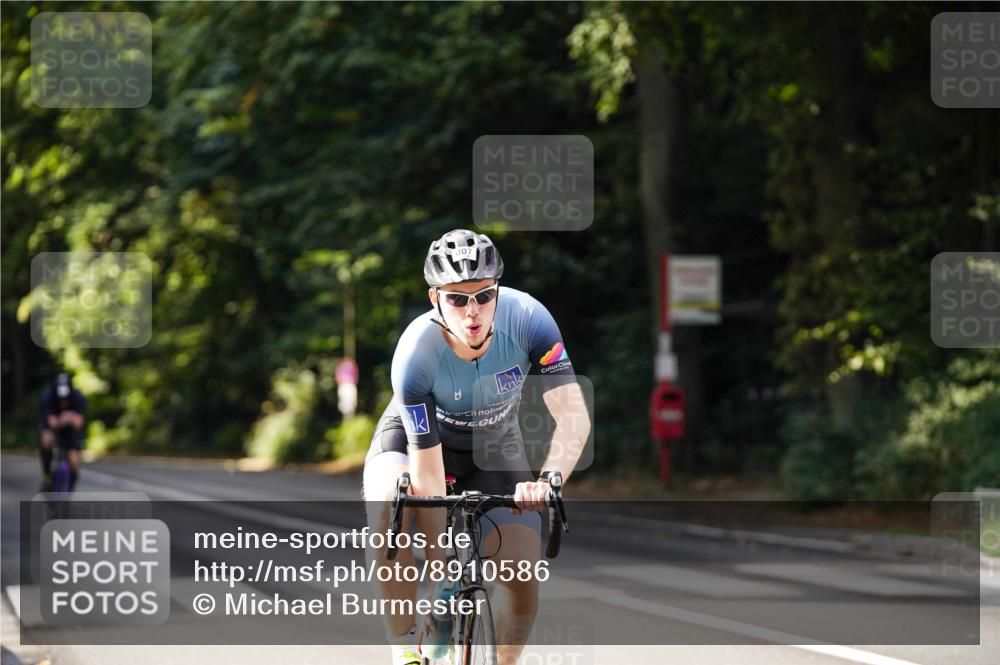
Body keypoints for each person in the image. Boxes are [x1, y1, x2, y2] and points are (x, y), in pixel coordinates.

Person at [363, 229, 591, 665]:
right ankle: (406, 648)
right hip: (417, 442)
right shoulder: (415, 354)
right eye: (457, 299)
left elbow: (573, 416)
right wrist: (441, 572)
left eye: (484, 296)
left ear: (498, 291)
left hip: (493, 441)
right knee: (389, 506)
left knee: (522, 573)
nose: (473, 312)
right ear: (435, 299)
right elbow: (427, 477)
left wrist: (546, 480)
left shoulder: (530, 319)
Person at [39, 372, 87, 492]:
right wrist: (65, 418)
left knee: (74, 461)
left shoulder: (78, 398)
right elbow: (51, 422)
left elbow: (79, 423)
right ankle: (47, 474)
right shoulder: (48, 397)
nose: (63, 401)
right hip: (54, 429)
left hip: (71, 432)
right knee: (46, 440)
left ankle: (69, 491)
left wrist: (68, 417)